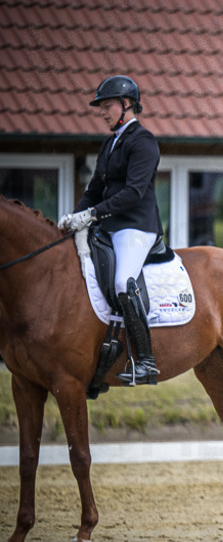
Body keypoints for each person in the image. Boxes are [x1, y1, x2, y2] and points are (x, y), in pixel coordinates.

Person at [59, 75, 163, 386]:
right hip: (109, 225)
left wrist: (92, 214)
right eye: (102, 107)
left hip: (136, 226)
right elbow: (95, 189)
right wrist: (75, 217)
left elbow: (133, 192)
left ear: (127, 105)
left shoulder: (143, 142)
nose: (103, 112)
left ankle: (146, 361)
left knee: (122, 281)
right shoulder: (110, 143)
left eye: (107, 106)